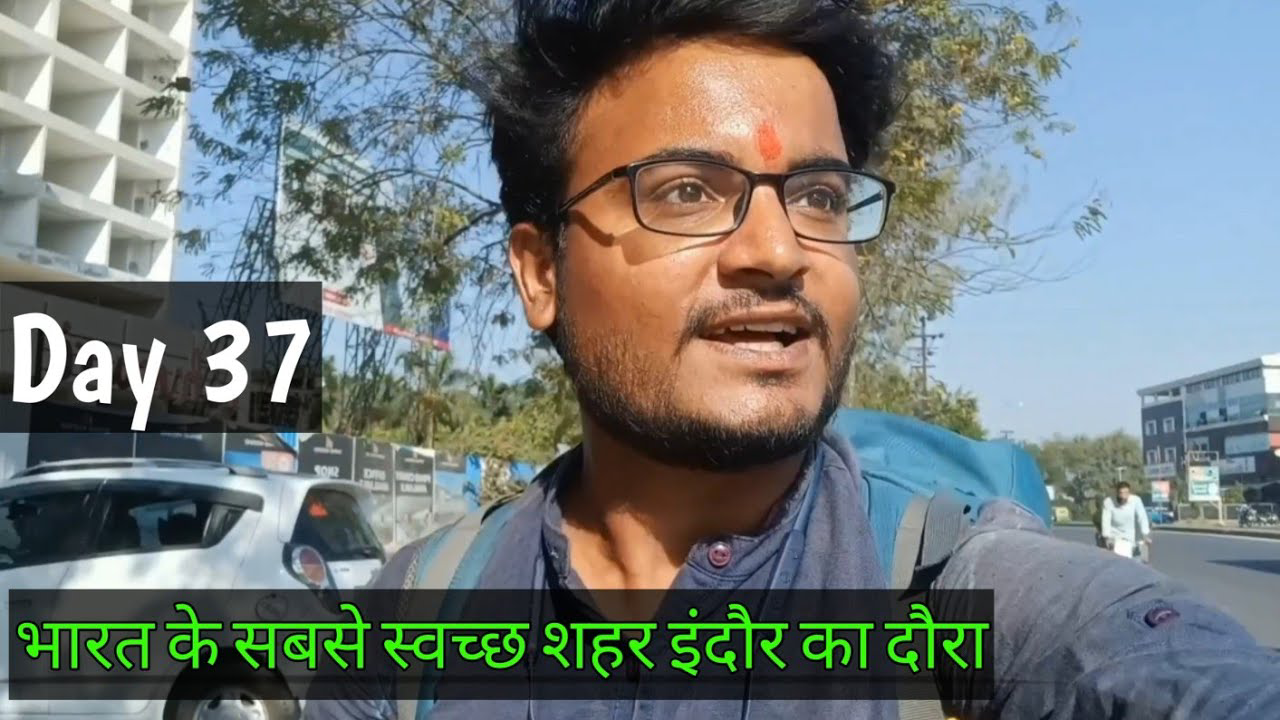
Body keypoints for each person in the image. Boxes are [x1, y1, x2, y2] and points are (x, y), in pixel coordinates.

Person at [303, 1, 1280, 718]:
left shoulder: (947, 591)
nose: (777, 251)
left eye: (816, 196)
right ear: (539, 272)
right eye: (684, 190)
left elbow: (1166, 670)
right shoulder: (405, 628)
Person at [1100, 481, 1151, 560]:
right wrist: (1107, 537)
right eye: (1121, 493)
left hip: (1133, 536)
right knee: (1117, 561)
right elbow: (1106, 520)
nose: (1124, 496)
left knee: (1139, 561)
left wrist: (1145, 534)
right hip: (1115, 536)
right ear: (1116, 493)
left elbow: (1142, 517)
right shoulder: (1109, 502)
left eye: (1126, 493)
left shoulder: (1136, 500)